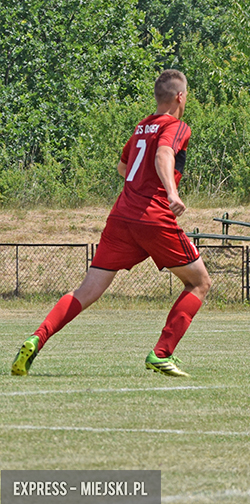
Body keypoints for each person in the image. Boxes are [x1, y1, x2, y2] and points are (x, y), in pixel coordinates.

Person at [11, 69, 211, 378]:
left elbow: (123, 167)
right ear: (180, 97)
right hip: (154, 216)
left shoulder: (141, 127)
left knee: (86, 290)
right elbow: (163, 155)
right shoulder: (176, 125)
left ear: (158, 97)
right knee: (199, 282)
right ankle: (161, 354)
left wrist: (140, 182)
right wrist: (171, 191)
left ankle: (37, 337)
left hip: (121, 218)